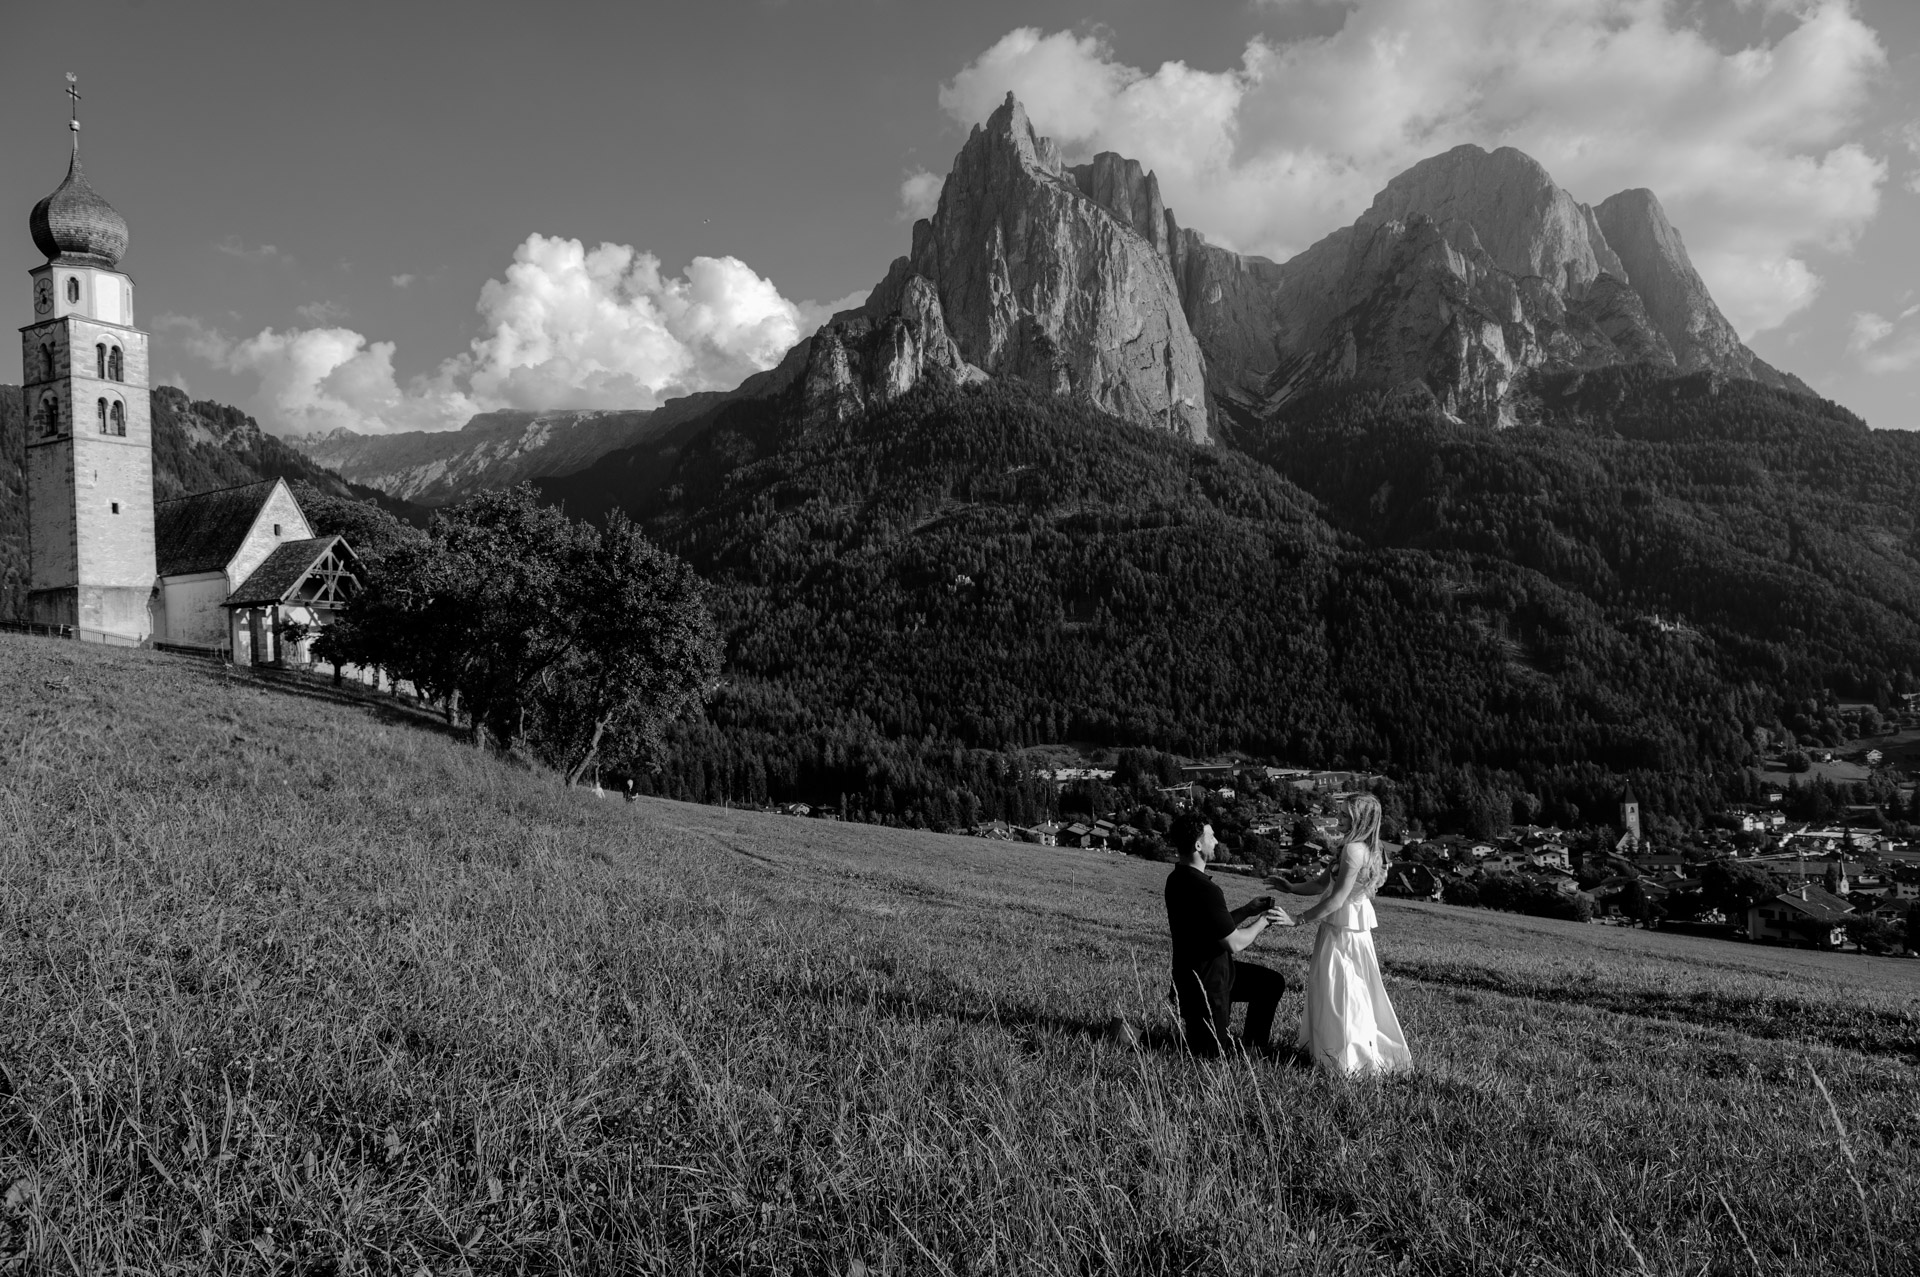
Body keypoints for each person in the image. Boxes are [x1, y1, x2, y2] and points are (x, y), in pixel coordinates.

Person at [1274, 794, 1412, 1076]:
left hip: (1342, 932)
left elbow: (1336, 900)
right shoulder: (1369, 849)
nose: (1340, 819)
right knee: (1348, 990)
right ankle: (1339, 1055)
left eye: (1346, 815)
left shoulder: (1352, 850)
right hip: (1350, 930)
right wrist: (1290, 887)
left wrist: (1297, 920)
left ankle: (1344, 1060)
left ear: (1360, 819)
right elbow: (1321, 883)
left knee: (1340, 992)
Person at [1163, 812, 1293, 1057]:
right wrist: (1264, 921)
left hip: (1201, 976)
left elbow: (1214, 928)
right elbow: (1234, 942)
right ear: (1198, 845)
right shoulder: (1204, 889)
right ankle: (1132, 1038)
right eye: (1211, 836)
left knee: (1270, 983)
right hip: (1208, 986)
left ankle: (1254, 1048)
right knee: (1209, 1056)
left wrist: (1246, 911)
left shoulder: (1177, 878)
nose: (1216, 841)